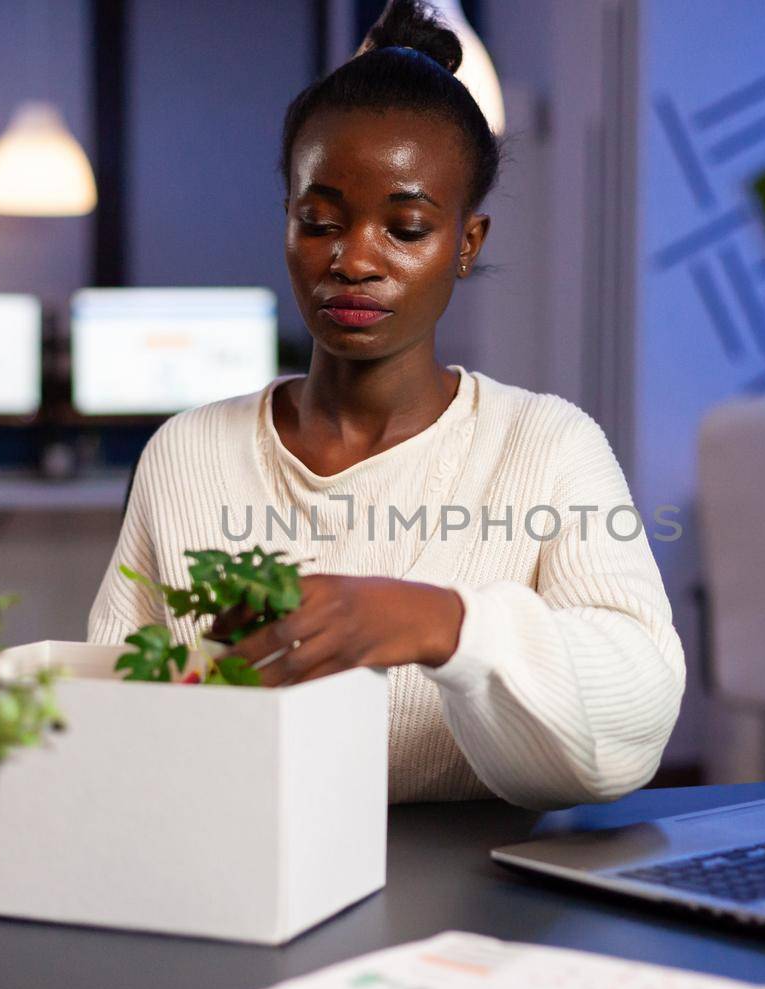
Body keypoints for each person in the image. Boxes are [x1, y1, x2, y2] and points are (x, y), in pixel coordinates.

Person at [88, 0, 685, 810]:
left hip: (482, 899)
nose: (353, 258)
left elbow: (638, 716)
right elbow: (110, 720)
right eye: (320, 220)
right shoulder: (188, 453)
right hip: (237, 872)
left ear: (466, 244)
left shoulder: (547, 446)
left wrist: (437, 624)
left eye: (405, 227)